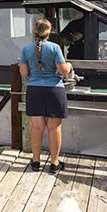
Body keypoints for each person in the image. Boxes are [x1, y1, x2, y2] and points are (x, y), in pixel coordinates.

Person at [18, 18, 73, 173]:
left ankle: (36, 161)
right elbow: (63, 71)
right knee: (54, 127)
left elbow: (23, 73)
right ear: (49, 31)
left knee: (36, 127)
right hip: (54, 90)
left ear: (34, 31)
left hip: (34, 90)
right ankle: (54, 163)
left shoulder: (26, 49)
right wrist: (68, 66)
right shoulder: (55, 48)